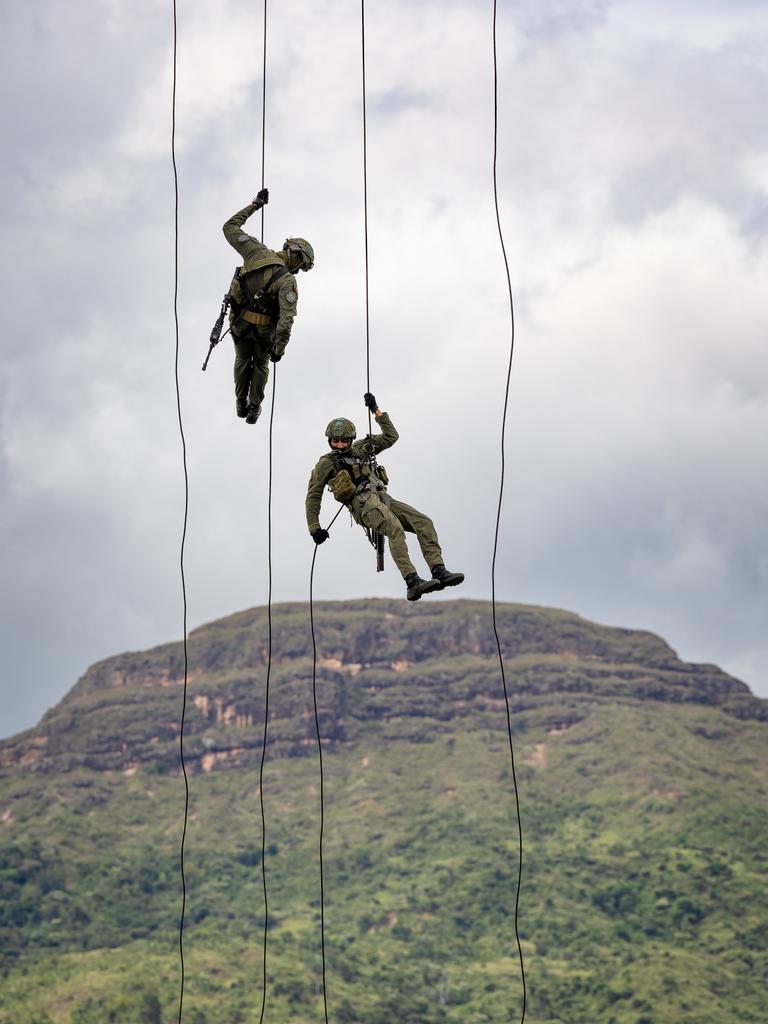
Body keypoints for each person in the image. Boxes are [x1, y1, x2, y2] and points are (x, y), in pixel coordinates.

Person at [305, 393, 465, 601]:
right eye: (335, 441)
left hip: (382, 498)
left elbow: (391, 436)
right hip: (363, 505)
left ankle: (438, 570)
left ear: (350, 439)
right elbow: (313, 496)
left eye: (344, 441)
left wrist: (376, 411)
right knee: (394, 528)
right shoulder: (326, 464)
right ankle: (412, 581)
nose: (340, 445)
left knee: (424, 522)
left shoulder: (361, 448)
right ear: (330, 441)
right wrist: (314, 528)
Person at [222, 188, 315, 424]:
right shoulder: (287, 281)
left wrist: (255, 204)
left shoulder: (254, 251)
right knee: (261, 365)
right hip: (264, 333)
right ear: (296, 257)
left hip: (240, 324)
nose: (298, 271)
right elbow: (286, 319)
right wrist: (280, 348)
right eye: (301, 266)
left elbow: (230, 227)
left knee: (242, 360)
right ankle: (254, 407)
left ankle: (240, 402)